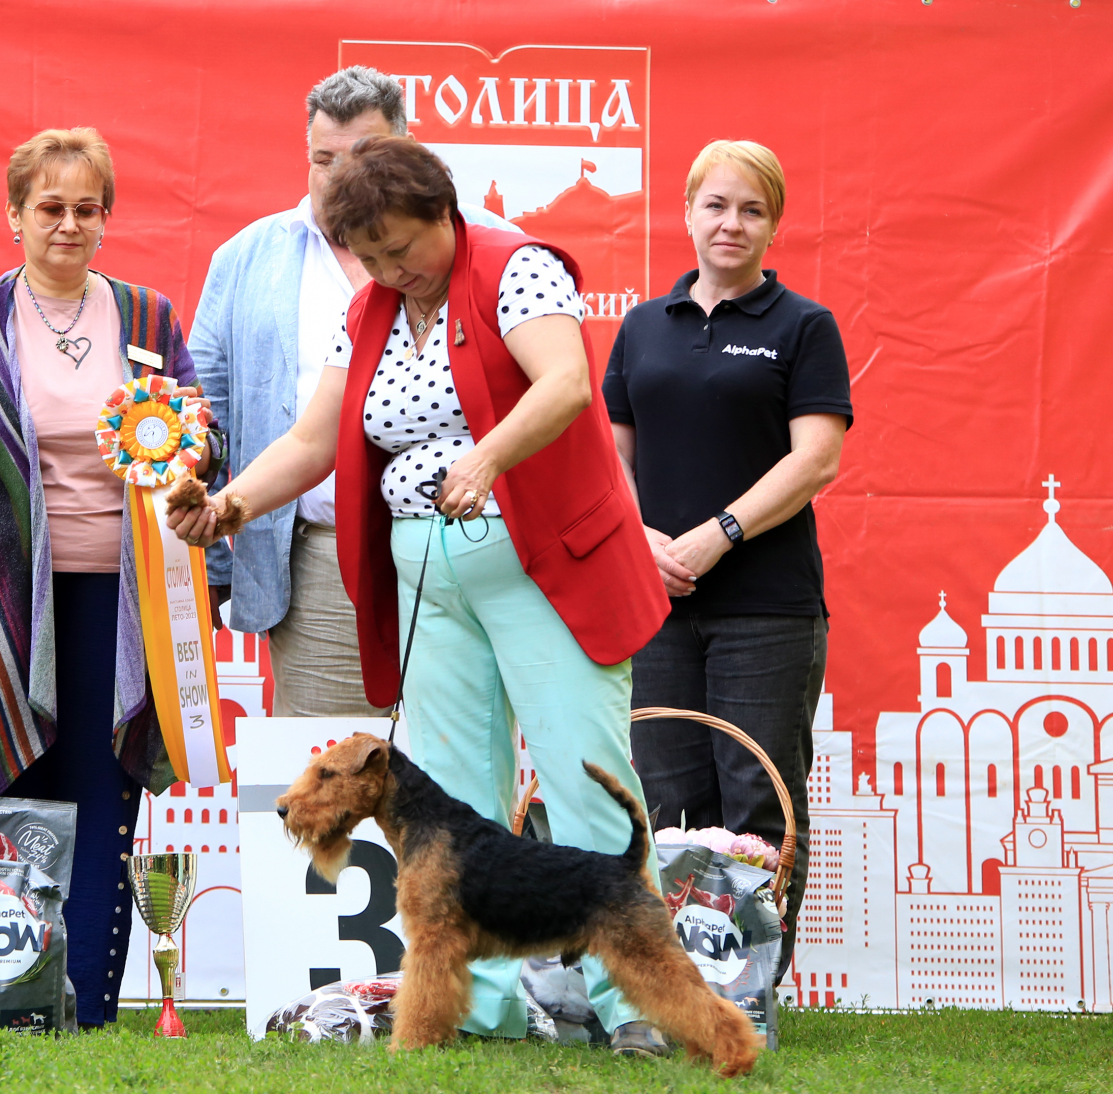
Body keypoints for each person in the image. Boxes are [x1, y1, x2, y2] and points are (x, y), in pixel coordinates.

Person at [172, 135, 675, 1055]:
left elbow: (567, 384)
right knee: (452, 790)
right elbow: (314, 440)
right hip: (427, 576)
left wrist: (487, 456)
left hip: (541, 562)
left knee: (580, 771)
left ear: (445, 212)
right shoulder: (368, 311)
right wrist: (230, 503)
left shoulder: (515, 269)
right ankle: (481, 1007)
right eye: (368, 257)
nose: (388, 271)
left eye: (401, 248)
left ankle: (631, 1004)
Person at [0, 127, 214, 1027]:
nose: (69, 224)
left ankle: (88, 1008)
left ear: (107, 218)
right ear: (15, 216)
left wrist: (193, 459)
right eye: (51, 207)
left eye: (87, 208)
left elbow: (199, 437)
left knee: (103, 800)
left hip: (121, 609)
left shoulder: (148, 318)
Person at [190, 66, 513, 717]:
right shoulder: (244, 258)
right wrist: (216, 533)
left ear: (408, 152)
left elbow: (556, 392)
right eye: (323, 159)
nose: (339, 178)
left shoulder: (490, 246)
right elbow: (210, 414)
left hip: (471, 545)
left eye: (361, 156)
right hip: (320, 560)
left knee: (463, 750)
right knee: (331, 759)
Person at [603, 139, 851, 983]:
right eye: (715, 205)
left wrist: (720, 533)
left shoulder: (803, 327)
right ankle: (676, 990)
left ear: (774, 225)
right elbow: (611, 456)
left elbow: (816, 458)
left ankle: (748, 993)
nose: (731, 223)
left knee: (756, 802)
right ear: (687, 214)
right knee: (667, 801)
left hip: (766, 608)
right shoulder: (642, 327)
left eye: (752, 209)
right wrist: (639, 538)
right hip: (656, 603)